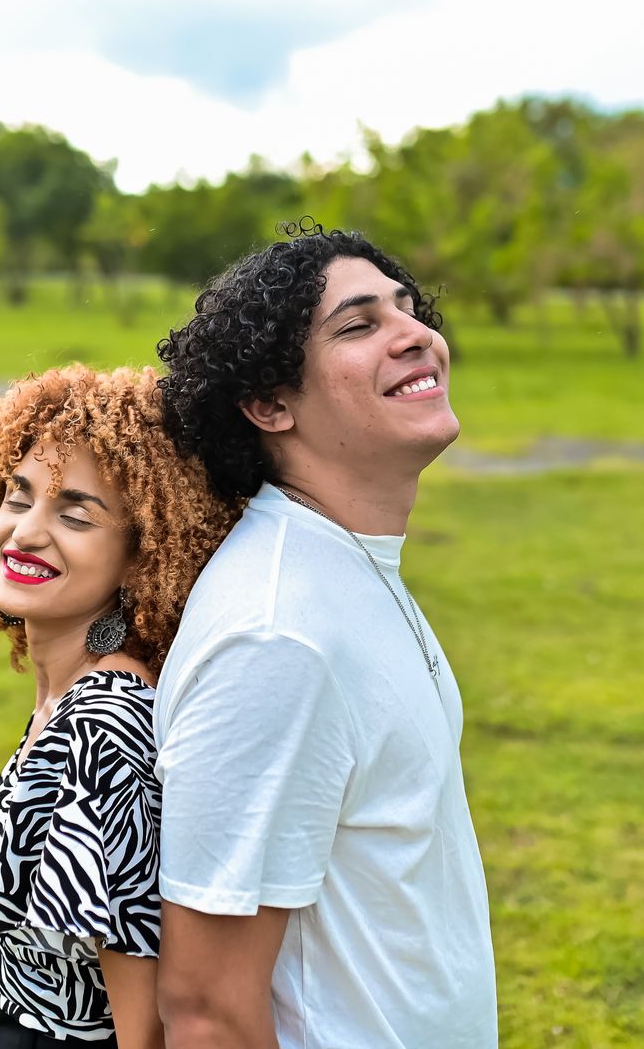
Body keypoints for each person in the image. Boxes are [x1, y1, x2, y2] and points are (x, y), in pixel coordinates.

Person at [150, 225, 498, 1048]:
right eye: (359, 324)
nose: (416, 335)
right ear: (271, 403)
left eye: (409, 309)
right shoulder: (279, 636)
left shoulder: (345, 566)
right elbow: (206, 1008)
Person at [0, 364, 239, 1048]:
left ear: (142, 557)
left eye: (75, 513)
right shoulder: (69, 690)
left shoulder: (109, 721)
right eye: (17, 498)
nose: (24, 532)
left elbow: (140, 1017)